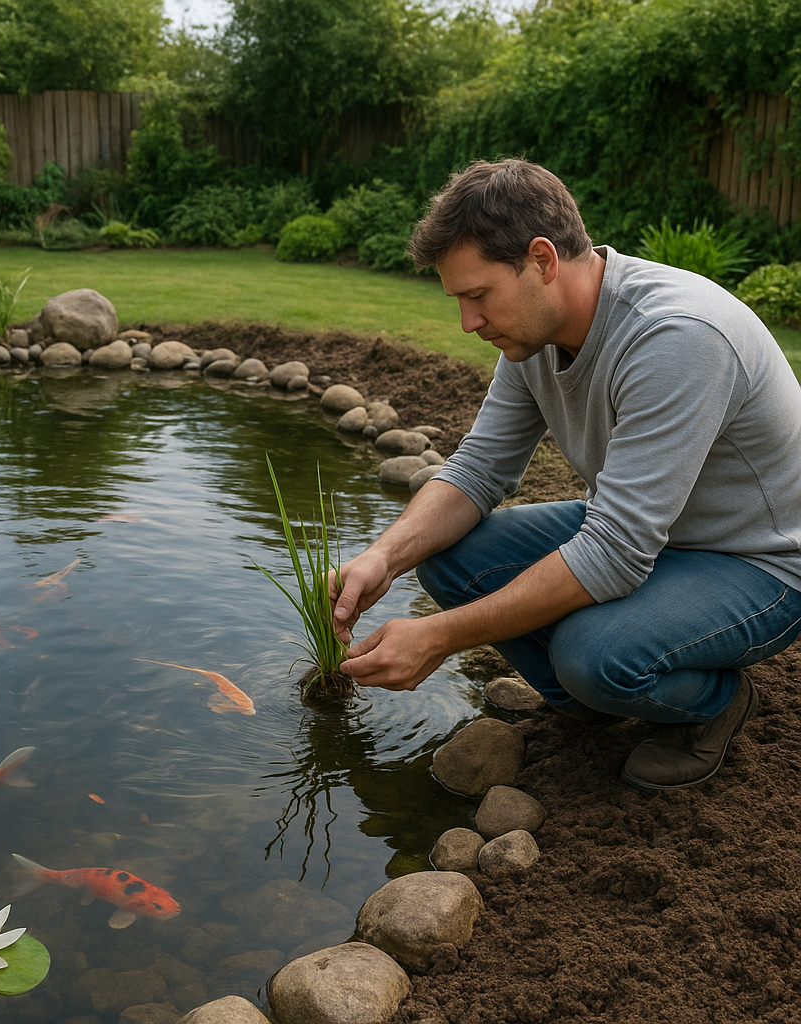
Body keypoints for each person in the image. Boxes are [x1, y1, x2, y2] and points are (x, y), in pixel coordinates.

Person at [330, 158, 801, 793]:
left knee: (592, 656)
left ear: (544, 261)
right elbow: (477, 469)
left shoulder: (678, 336)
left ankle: (713, 704)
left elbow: (614, 554)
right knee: (448, 560)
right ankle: (598, 701)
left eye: (478, 295)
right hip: (649, 532)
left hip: (758, 561)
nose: (468, 323)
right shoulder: (536, 335)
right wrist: (382, 558)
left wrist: (438, 637)